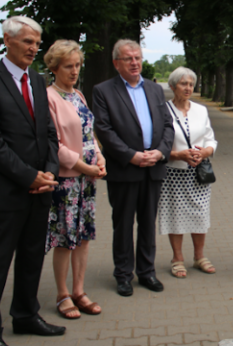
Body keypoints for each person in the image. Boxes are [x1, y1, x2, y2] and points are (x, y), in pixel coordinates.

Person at [0, 16, 65, 346]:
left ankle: (25, 316)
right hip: (6, 193)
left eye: (37, 42)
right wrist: (28, 176)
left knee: (31, 258)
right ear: (7, 41)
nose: (34, 48)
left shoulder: (37, 80)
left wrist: (49, 171)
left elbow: (49, 132)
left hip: (40, 191)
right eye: (27, 41)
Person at [93, 39, 175, 297]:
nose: (134, 63)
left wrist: (160, 152)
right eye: (128, 58)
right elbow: (104, 129)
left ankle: (147, 272)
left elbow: (168, 125)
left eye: (137, 57)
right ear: (116, 63)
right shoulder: (103, 91)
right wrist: (131, 156)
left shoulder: (154, 89)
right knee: (124, 224)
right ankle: (123, 274)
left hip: (153, 167)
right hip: (125, 169)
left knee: (148, 223)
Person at [43, 40, 106, 319]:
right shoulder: (49, 97)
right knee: (65, 238)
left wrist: (100, 159)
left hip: (87, 181)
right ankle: (63, 294)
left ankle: (79, 291)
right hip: (68, 181)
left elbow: (89, 135)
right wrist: (83, 167)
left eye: (78, 65)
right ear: (54, 67)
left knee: (83, 236)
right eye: (68, 66)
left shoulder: (78, 95)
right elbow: (53, 144)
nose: (74, 71)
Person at [158, 66, 218, 278]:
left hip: (198, 172)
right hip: (173, 172)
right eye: (183, 83)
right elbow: (158, 145)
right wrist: (177, 155)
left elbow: (210, 139)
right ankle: (177, 258)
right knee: (175, 214)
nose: (188, 88)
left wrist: (205, 152)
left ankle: (199, 257)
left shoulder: (200, 110)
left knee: (199, 212)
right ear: (172, 86)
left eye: (191, 84)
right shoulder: (163, 110)